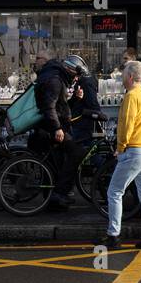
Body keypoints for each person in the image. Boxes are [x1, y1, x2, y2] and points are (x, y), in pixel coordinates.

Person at [95, 60, 141, 250]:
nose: (122, 77)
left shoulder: (131, 96)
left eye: (124, 73)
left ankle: (113, 235)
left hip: (133, 150)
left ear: (130, 77)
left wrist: (120, 146)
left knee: (114, 191)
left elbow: (125, 125)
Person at [33, 54, 89, 211]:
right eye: (77, 74)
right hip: (50, 128)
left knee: (56, 163)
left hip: (53, 126)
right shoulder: (55, 81)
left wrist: (75, 99)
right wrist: (57, 128)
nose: (78, 78)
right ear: (70, 70)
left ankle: (55, 199)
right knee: (77, 153)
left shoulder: (59, 78)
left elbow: (61, 105)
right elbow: (49, 107)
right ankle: (59, 193)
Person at [68, 61, 102, 145]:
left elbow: (93, 105)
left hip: (82, 124)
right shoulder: (83, 82)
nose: (75, 79)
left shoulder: (86, 83)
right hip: (80, 123)